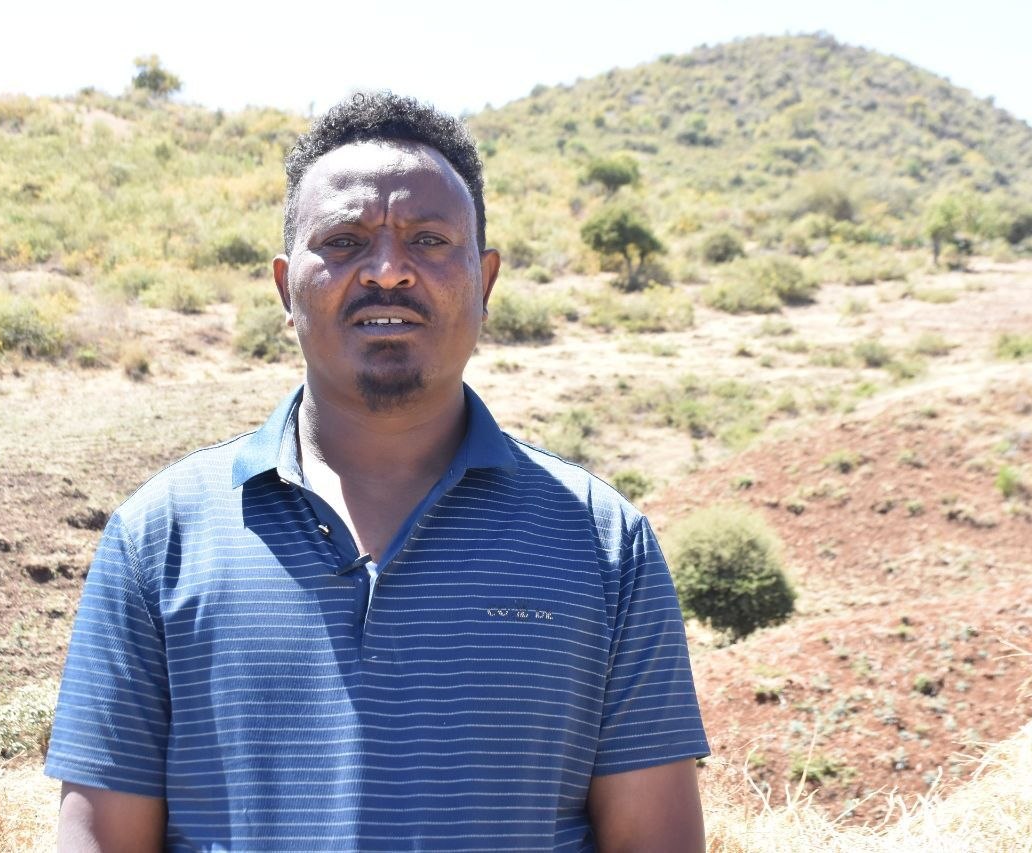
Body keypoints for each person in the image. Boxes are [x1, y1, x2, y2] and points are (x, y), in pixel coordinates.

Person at [47, 91, 710, 852]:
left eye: (429, 240)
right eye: (344, 240)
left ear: (485, 282)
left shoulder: (604, 544)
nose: (389, 271)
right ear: (284, 288)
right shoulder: (159, 539)